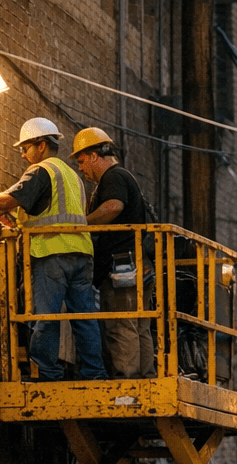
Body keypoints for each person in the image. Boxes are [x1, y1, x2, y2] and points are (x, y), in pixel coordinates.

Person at [0, 117, 105, 382]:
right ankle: (95, 374)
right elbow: (13, 207)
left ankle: (48, 374)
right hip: (81, 254)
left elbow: (8, 198)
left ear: (41, 146)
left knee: (44, 317)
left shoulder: (41, 171)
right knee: (84, 318)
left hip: (51, 253)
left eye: (26, 147)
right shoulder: (71, 176)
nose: (22, 154)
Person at [73, 127, 155, 379]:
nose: (81, 169)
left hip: (122, 267)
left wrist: (80, 225)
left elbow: (113, 206)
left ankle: (127, 382)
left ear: (95, 155)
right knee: (138, 325)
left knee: (121, 325)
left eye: (82, 161)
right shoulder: (124, 176)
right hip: (137, 265)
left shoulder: (113, 177)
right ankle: (144, 379)